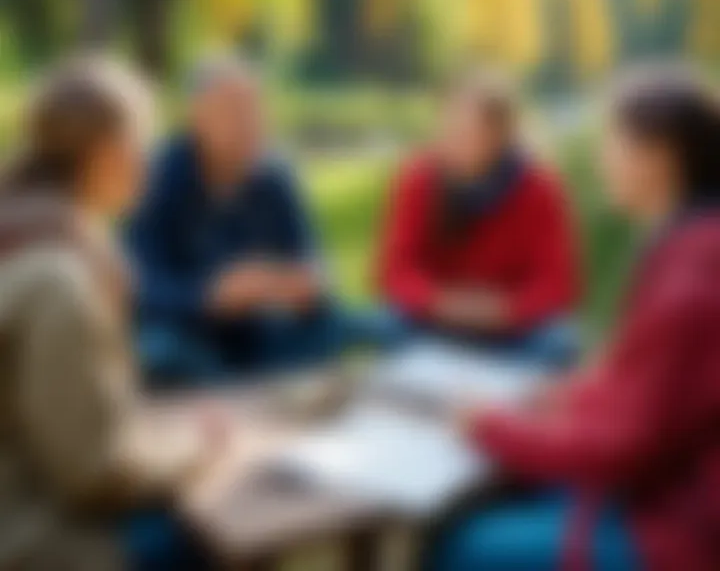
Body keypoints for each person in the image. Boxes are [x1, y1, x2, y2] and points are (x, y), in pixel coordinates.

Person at [433, 65, 720, 570]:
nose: (600, 157)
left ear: (658, 158)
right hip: (665, 492)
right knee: (500, 496)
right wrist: (568, 396)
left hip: (679, 529)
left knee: (461, 545)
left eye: (612, 142)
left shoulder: (691, 278)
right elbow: (648, 388)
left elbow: (629, 445)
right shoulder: (689, 241)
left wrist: (492, 426)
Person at [0, 56, 225, 570]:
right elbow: (94, 475)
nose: (150, 162)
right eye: (144, 144)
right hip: (30, 537)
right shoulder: (58, 278)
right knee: (216, 531)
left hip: (31, 497)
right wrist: (198, 446)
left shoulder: (21, 225)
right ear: (109, 152)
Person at [126, 57, 337, 388]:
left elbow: (314, 267)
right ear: (197, 116)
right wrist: (210, 296)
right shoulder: (156, 177)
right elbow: (137, 287)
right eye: (233, 111)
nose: (249, 124)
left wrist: (302, 285)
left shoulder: (275, 176)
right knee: (160, 352)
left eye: (255, 110)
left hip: (264, 332)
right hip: (186, 334)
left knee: (377, 329)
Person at [377, 71, 580, 368]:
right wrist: (441, 301)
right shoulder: (419, 176)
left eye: (469, 132)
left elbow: (559, 284)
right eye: (450, 126)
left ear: (501, 134)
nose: (454, 139)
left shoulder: (539, 186)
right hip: (438, 319)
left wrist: (505, 310)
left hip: (512, 329)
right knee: (388, 322)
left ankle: (510, 399)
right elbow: (395, 271)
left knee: (559, 340)